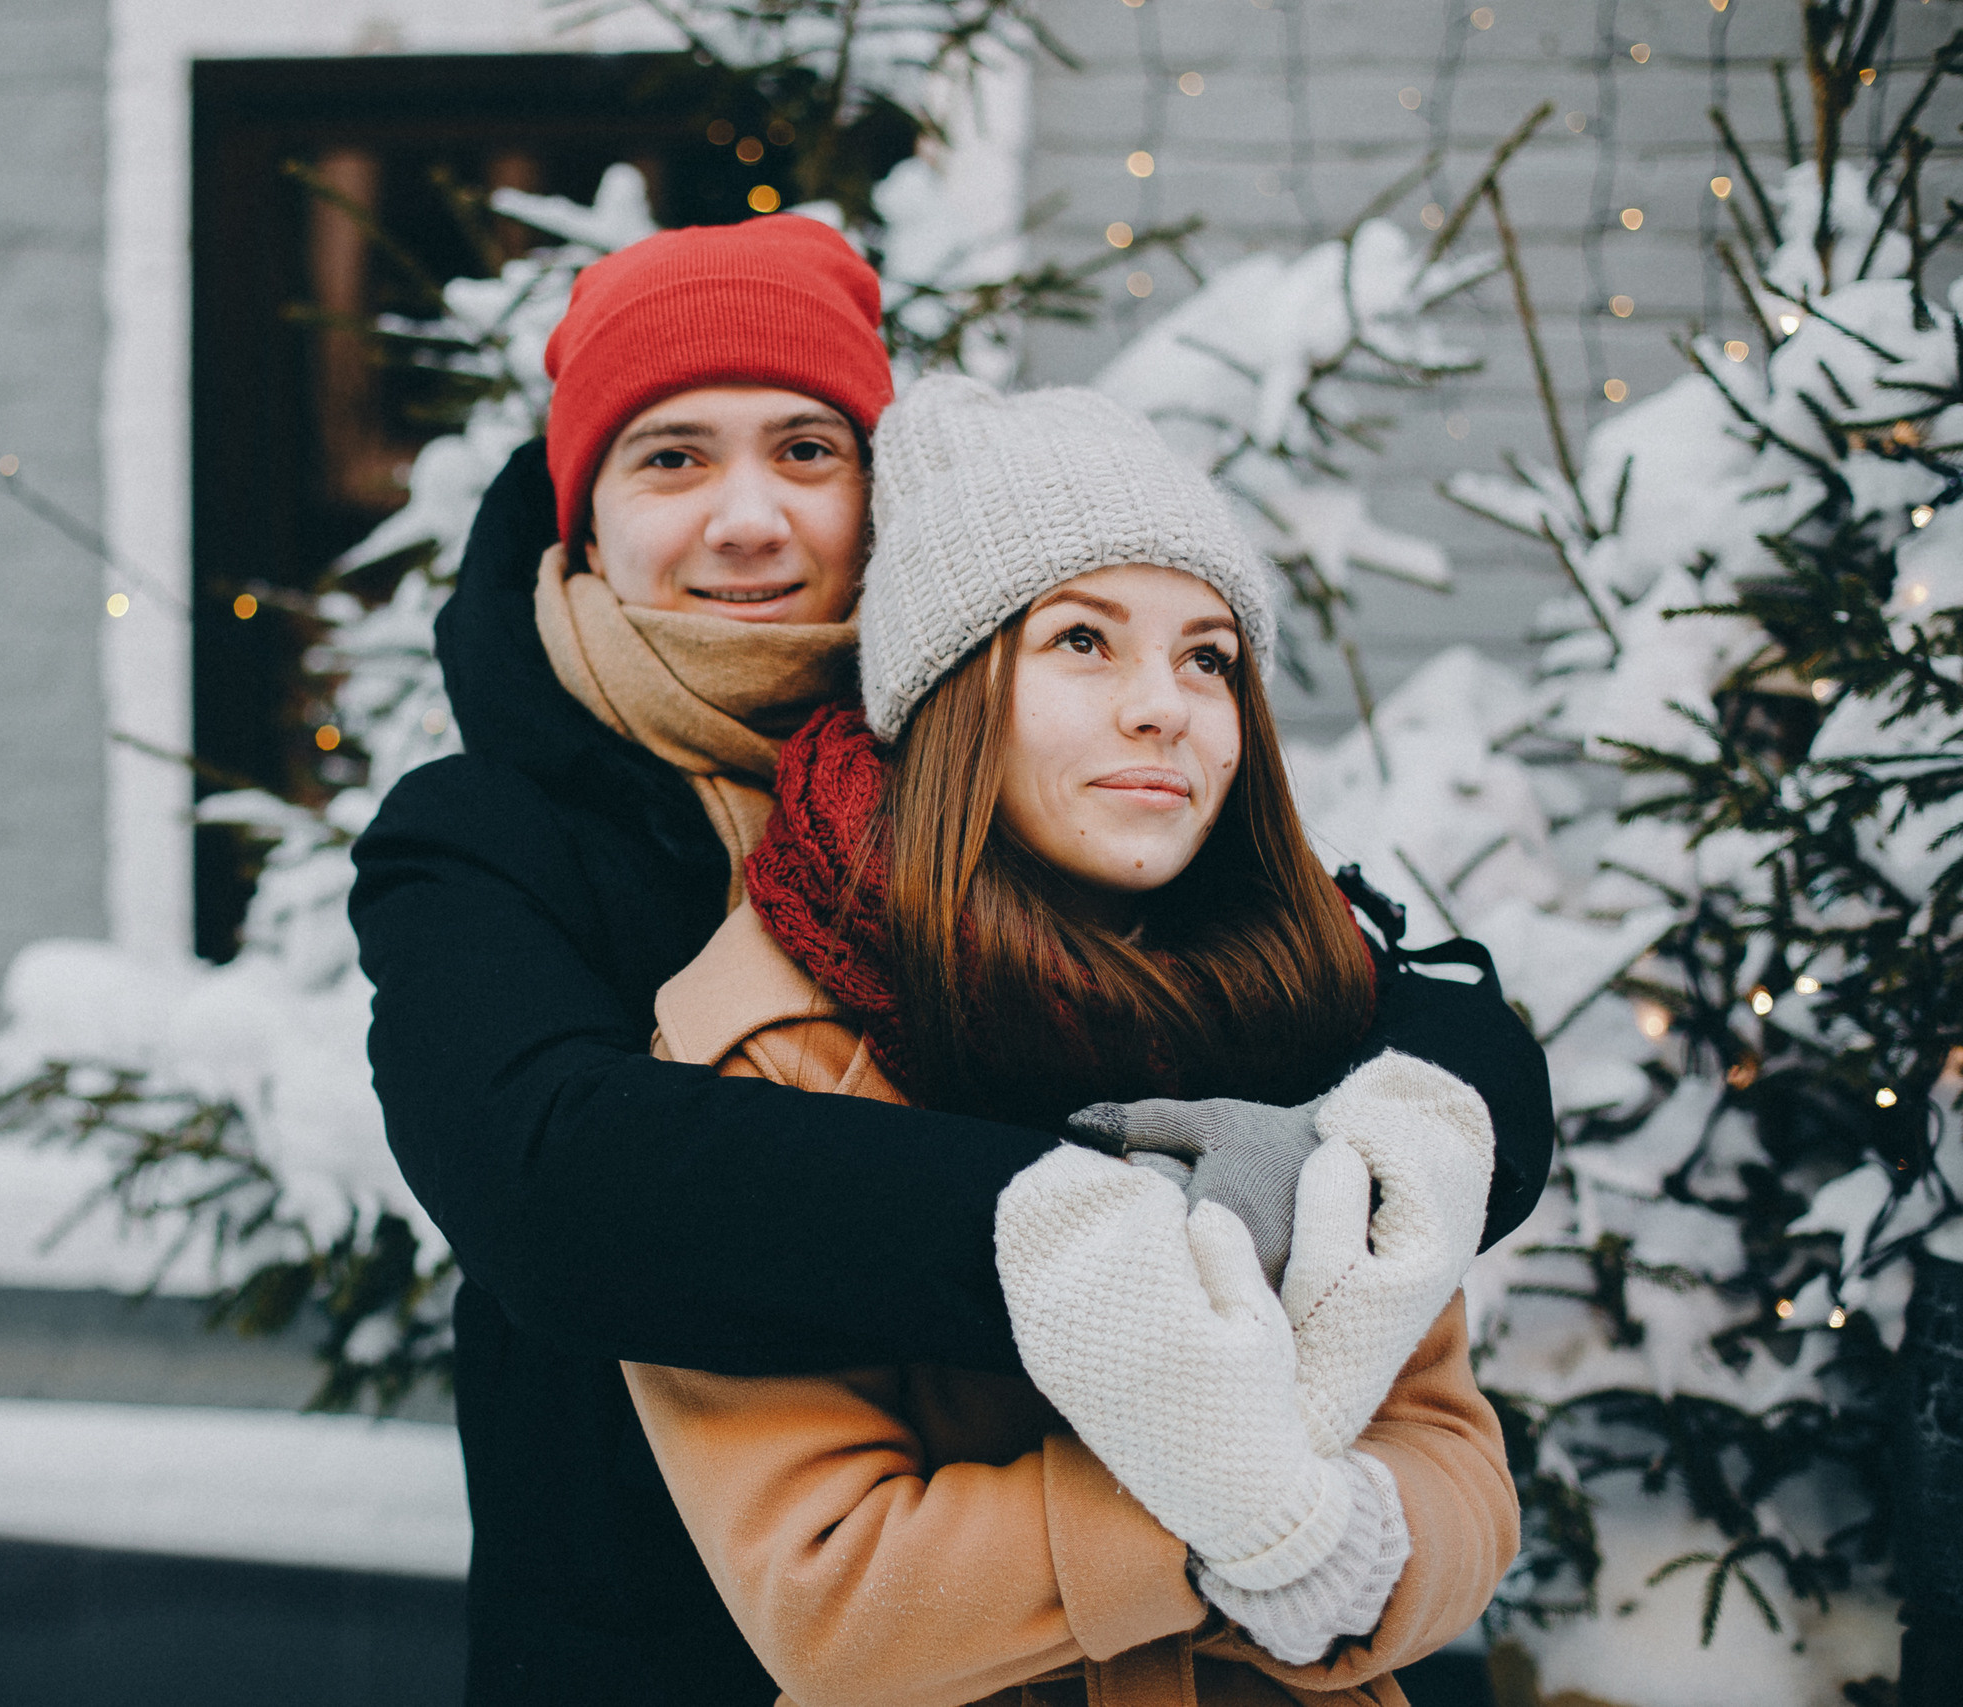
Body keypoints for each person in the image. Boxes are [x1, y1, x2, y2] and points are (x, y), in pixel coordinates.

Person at [347, 215, 1549, 1704]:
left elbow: (1363, 990)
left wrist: (1431, 1124)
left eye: (806, 451)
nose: (745, 517)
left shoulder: (1085, 790)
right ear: (582, 515)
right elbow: (552, 1183)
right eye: (672, 458)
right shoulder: (489, 836)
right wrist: (1106, 1244)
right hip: (654, 1630)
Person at [628, 375, 1515, 1707]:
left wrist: (1380, 1549)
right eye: (1084, 643)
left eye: (1206, 656)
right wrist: (1250, 1528)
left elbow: (1454, 1460)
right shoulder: (773, 1047)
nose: (1164, 706)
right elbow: (833, 1602)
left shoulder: (1311, 1005)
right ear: (951, 692)